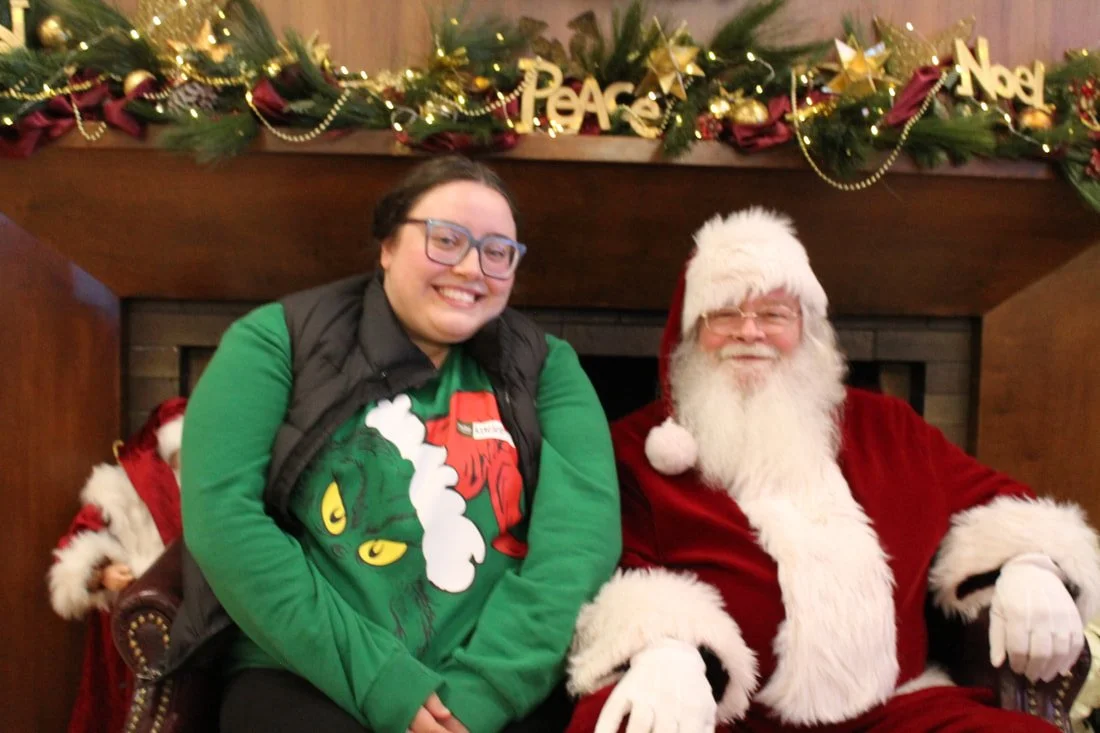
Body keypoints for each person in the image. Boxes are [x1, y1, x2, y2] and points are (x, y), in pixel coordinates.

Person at [564, 208, 1100, 733]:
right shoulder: (636, 449)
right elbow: (608, 571)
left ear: (806, 329)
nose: (749, 332)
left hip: (898, 711)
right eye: (724, 313)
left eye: (774, 314)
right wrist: (663, 648)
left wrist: (1031, 563)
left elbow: (996, 500)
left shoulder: (887, 426)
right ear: (691, 334)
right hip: (729, 717)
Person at [172, 155, 621, 733]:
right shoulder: (275, 340)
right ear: (387, 245)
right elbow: (223, 521)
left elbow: (579, 543)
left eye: (497, 252)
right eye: (445, 240)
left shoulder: (547, 367)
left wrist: (481, 695)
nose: (471, 268)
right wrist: (384, 683)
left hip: (495, 690)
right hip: (307, 674)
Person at [48, 397, 187, 733]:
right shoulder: (120, 487)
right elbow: (76, 547)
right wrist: (101, 573)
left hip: (185, 615)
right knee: (124, 708)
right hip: (132, 619)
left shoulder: (201, 486)